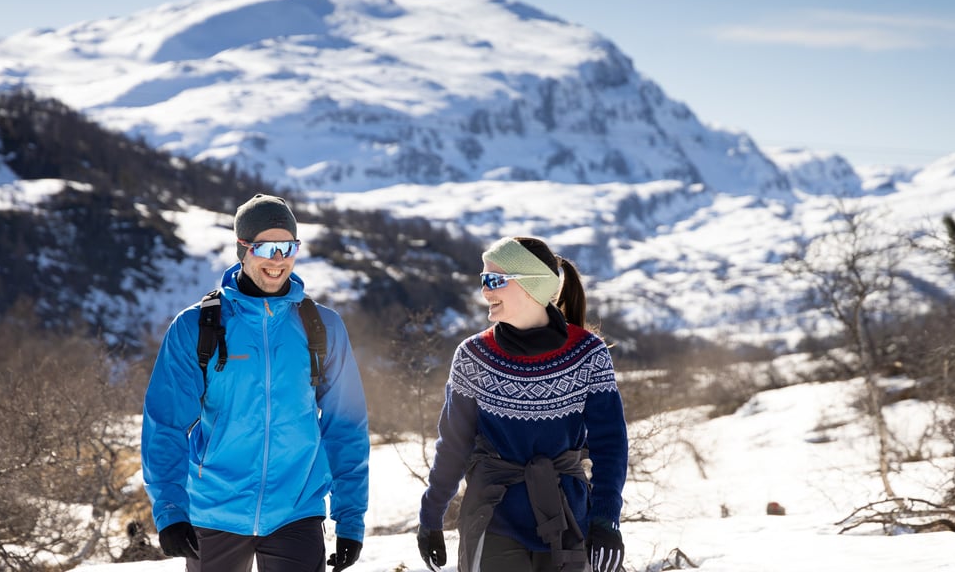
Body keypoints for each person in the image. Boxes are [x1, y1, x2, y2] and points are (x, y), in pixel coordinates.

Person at [141, 194, 370, 572]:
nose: (278, 259)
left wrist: (351, 518)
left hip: (296, 510)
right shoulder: (197, 327)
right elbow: (164, 424)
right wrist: (169, 508)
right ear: (242, 249)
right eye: (266, 246)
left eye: (288, 246)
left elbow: (346, 428)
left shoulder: (323, 327)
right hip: (213, 511)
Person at [416, 237, 629, 572]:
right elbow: (454, 447)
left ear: (532, 284)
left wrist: (606, 520)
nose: (485, 291)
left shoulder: (589, 355)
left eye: (494, 280)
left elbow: (610, 444)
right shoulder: (473, 357)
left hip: (569, 520)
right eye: (483, 280)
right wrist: (431, 516)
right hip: (493, 520)